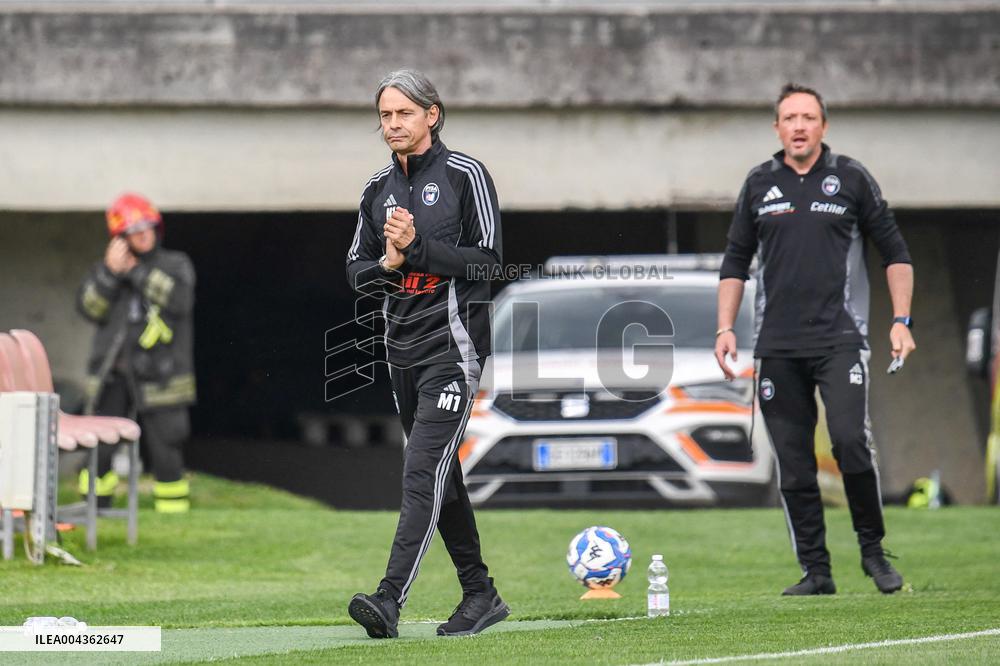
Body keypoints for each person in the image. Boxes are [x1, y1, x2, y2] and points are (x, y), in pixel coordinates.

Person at [715, 83, 916, 595]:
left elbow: (895, 252)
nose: (799, 126)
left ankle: (873, 551)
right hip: (777, 346)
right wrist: (724, 328)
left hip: (840, 340)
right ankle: (816, 571)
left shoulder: (850, 178)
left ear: (823, 126)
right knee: (795, 462)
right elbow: (735, 262)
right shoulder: (760, 183)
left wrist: (901, 320)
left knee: (850, 443)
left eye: (808, 117)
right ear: (777, 128)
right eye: (789, 118)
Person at [345, 70, 508, 638]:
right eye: (385, 116)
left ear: (431, 115)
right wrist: (390, 263)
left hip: (453, 349)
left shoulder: (466, 175)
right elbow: (357, 275)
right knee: (443, 474)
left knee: (420, 471)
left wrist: (418, 248)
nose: (393, 125)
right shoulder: (374, 189)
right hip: (401, 353)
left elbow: (490, 262)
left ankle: (389, 600)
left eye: (404, 114)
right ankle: (480, 593)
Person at [77, 193, 196, 513]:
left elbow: (179, 300)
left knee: (166, 445)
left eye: (148, 226)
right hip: (113, 374)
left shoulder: (176, 265)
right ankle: (93, 508)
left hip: (162, 375)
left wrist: (134, 272)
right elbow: (90, 308)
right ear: (120, 238)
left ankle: (173, 515)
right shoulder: (106, 272)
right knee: (100, 444)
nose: (143, 234)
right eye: (134, 229)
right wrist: (110, 274)